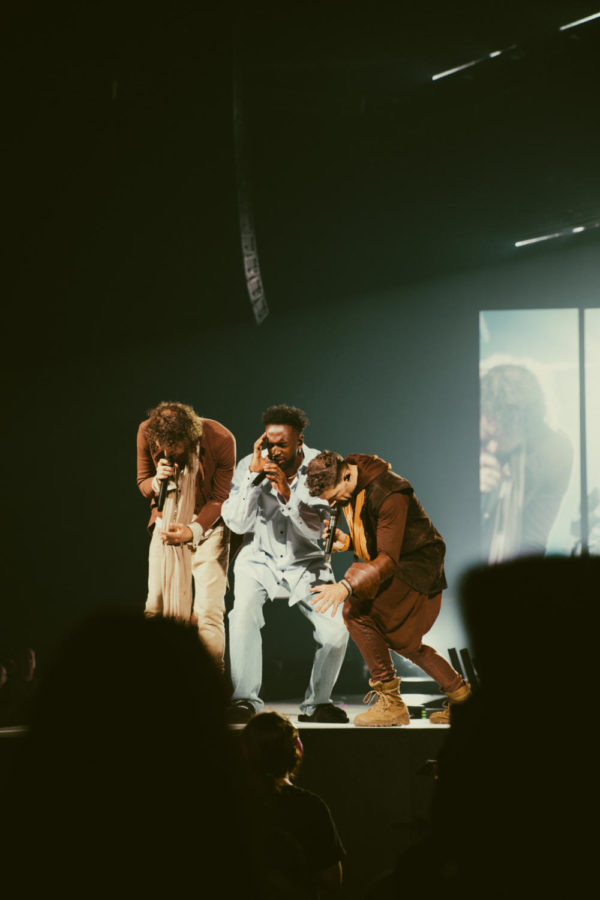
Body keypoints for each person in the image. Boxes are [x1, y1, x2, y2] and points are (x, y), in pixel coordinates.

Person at [306, 451, 469, 727]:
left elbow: (389, 558)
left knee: (355, 611)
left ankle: (391, 703)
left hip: (415, 573)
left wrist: (346, 586)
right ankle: (462, 698)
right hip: (396, 568)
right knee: (407, 644)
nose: (332, 504)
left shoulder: (389, 492)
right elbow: (378, 543)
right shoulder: (353, 486)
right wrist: (347, 543)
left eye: (333, 496)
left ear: (346, 474)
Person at [222, 405, 349, 723]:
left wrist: (285, 491)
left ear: (299, 442)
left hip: (305, 560)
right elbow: (237, 523)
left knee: (336, 630)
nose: (274, 451)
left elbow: (317, 530)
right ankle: (245, 699)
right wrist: (252, 477)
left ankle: (318, 703)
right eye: (269, 442)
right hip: (259, 557)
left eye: (282, 444)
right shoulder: (249, 466)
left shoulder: (321, 466)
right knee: (242, 615)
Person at [137, 401, 235, 669]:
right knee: (154, 604)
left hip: (209, 527)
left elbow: (220, 498)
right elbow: (142, 481)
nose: (167, 452)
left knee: (209, 611)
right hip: (166, 521)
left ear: (191, 439)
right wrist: (157, 481)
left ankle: (210, 686)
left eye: (174, 448)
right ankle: (153, 676)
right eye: (161, 447)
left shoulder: (221, 439)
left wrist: (193, 530)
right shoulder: (146, 432)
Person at [239, 711, 345, 898]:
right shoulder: (311, 808)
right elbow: (332, 881)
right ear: (297, 751)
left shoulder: (231, 805)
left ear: (244, 753)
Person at [480, 363, 573, 562]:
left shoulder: (554, 454)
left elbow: (533, 541)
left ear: (526, 433)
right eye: (487, 437)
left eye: (503, 441)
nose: (493, 448)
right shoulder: (452, 430)